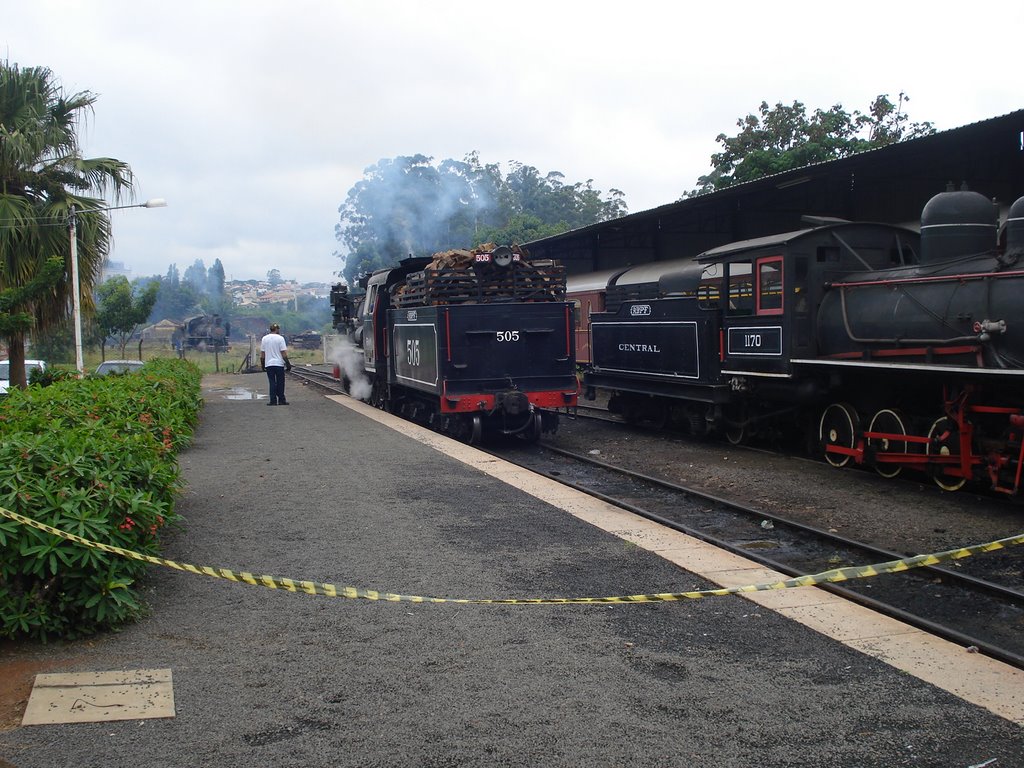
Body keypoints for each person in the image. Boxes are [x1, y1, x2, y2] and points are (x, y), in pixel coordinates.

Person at [259, 323, 292, 405]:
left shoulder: (264, 339)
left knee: (272, 382)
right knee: (280, 382)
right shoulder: (280, 338)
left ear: (270, 329)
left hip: (269, 364)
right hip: (279, 364)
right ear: (277, 329)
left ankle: (273, 401)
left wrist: (262, 365)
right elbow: (283, 352)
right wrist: (287, 363)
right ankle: (281, 400)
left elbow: (263, 354)